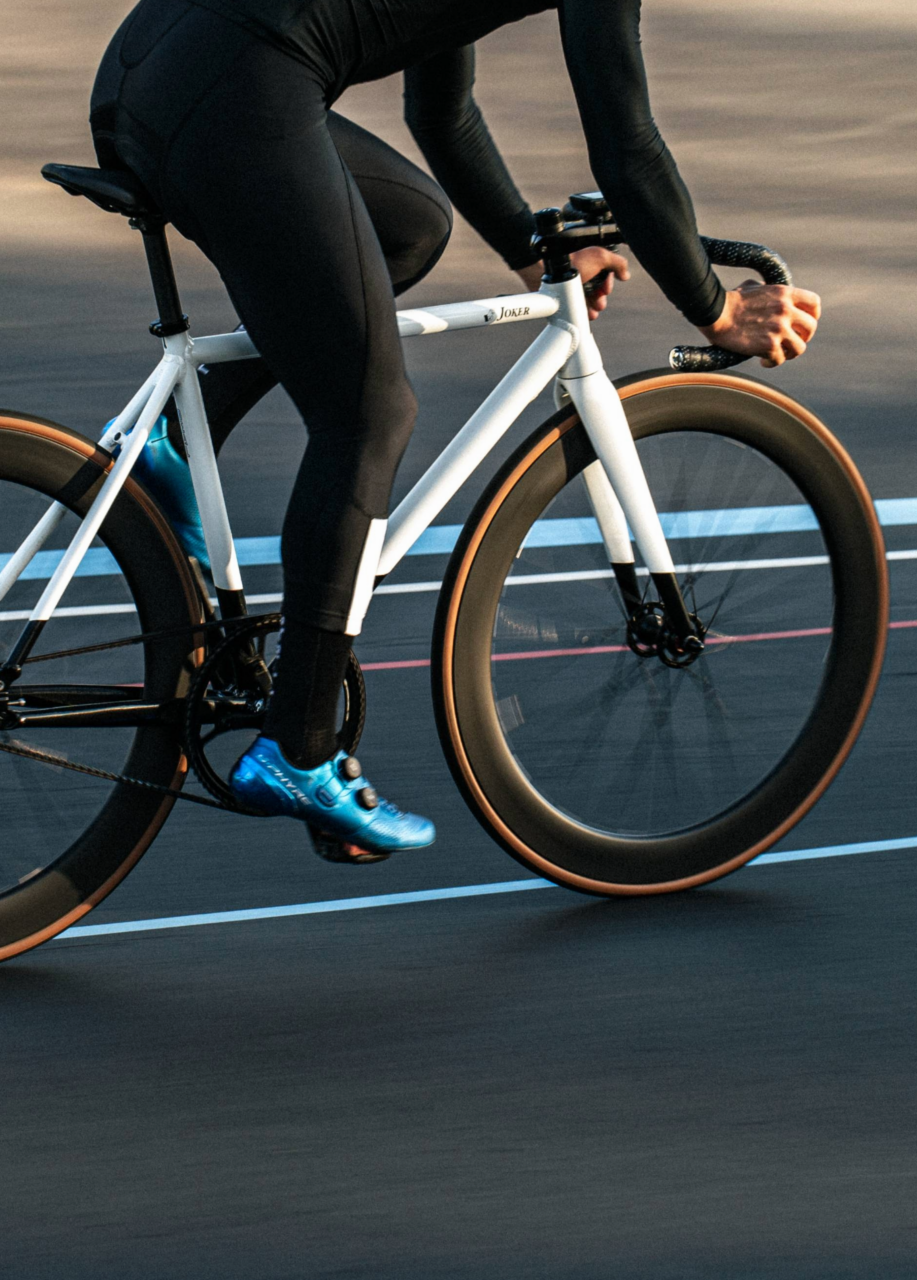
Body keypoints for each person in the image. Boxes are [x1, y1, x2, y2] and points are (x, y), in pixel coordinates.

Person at [90, 0, 822, 860]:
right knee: (369, 412)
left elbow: (442, 110)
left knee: (410, 227)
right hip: (237, 82)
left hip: (150, 67)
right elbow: (626, 147)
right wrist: (717, 307)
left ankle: (178, 435)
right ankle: (300, 746)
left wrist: (530, 247)